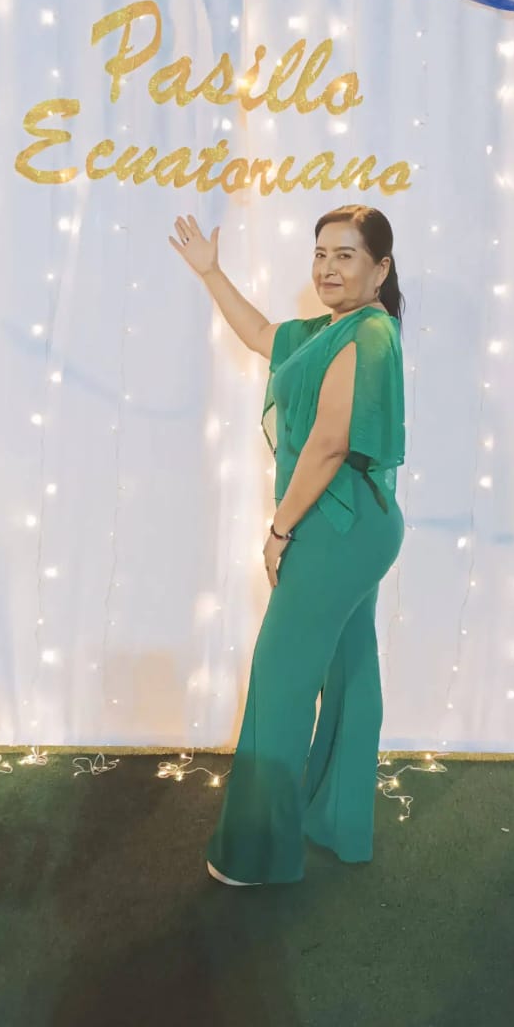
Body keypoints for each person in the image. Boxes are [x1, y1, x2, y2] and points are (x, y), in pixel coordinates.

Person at [169, 204, 406, 886]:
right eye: (321, 253)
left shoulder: (369, 334)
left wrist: (279, 531)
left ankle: (258, 853)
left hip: (338, 529)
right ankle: (336, 821)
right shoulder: (331, 331)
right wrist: (212, 273)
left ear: (380, 268)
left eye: (346, 255)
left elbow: (329, 444)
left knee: (279, 680)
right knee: (350, 668)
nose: (328, 268)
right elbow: (259, 334)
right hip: (361, 524)